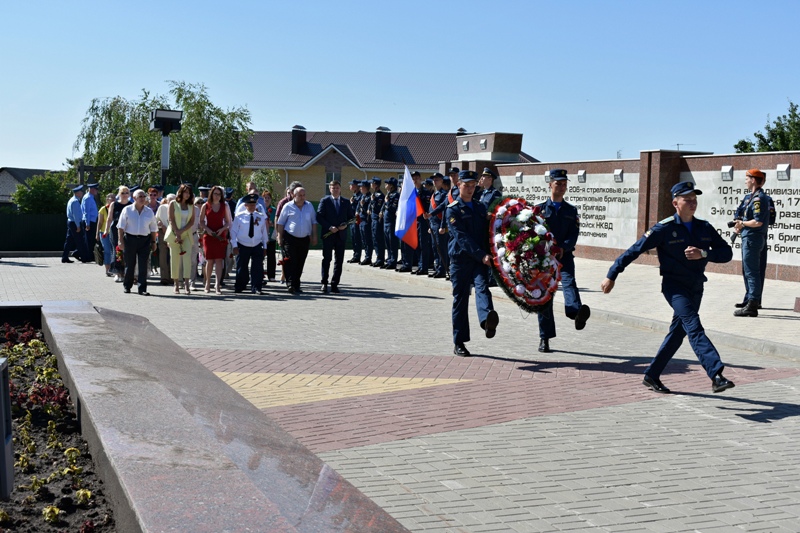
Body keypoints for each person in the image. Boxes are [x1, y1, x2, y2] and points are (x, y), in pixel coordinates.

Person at [600, 181, 735, 394]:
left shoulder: (704, 227)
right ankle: (716, 374)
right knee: (693, 325)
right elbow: (634, 250)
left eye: (695, 199)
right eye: (687, 199)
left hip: (696, 286)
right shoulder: (664, 228)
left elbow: (727, 253)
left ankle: (652, 375)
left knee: (677, 333)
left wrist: (705, 253)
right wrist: (612, 274)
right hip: (674, 287)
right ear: (675, 203)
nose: (693, 203)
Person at [535, 169, 591, 353]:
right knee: (545, 297)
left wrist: (563, 248)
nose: (562, 187)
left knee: (569, 283)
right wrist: (548, 248)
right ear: (550, 184)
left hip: (564, 256)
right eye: (558, 183)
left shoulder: (571, 210)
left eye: (564, 183)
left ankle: (575, 312)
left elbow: (573, 235)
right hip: (544, 259)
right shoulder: (539, 210)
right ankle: (545, 338)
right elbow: (533, 235)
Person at [447, 170, 499, 356]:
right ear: (459, 185)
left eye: (472, 185)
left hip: (479, 259)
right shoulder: (452, 209)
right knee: (460, 300)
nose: (469, 189)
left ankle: (487, 321)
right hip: (461, 260)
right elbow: (462, 238)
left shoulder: (480, 207)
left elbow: (487, 230)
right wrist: (481, 255)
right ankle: (459, 342)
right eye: (466, 185)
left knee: (483, 287)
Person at [733, 168, 771, 317]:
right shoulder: (752, 197)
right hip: (750, 237)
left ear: (753, 180)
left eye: (747, 178)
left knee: (752, 272)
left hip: (753, 238)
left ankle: (752, 304)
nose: (745, 181)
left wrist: (742, 223)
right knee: (749, 271)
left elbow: (757, 222)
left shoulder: (758, 199)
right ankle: (751, 300)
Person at [276, 187, 318, 294]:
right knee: (290, 262)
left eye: (304, 195)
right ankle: (290, 284)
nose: (302, 197)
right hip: (290, 238)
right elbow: (280, 223)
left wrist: (314, 236)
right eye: (300, 195)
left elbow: (314, 222)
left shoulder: (309, 206)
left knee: (300, 262)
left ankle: (296, 284)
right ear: (294, 196)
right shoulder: (288, 206)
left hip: (304, 239)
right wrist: (279, 237)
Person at [116, 189, 158, 295]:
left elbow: (153, 228)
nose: (142, 199)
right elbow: (121, 227)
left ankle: (142, 288)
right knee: (130, 264)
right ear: (134, 198)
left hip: (144, 240)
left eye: (144, 196)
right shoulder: (127, 210)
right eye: (140, 196)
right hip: (130, 239)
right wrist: (120, 240)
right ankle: (127, 286)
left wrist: (153, 242)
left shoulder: (149, 212)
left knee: (143, 265)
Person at [317, 180, 352, 293]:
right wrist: (329, 227)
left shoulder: (345, 202)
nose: (335, 190)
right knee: (327, 259)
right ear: (330, 189)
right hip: (328, 234)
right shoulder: (325, 201)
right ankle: (324, 282)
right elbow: (319, 217)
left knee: (339, 260)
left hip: (341, 235)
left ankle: (334, 284)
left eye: (337, 188)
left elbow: (351, 218)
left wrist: (345, 225)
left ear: (340, 189)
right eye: (333, 188)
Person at [229, 193, 269, 294]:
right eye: (249, 205)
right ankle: (240, 286)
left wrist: (265, 246)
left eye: (253, 205)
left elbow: (264, 232)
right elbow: (233, 232)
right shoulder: (239, 217)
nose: (252, 207)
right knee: (242, 266)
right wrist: (234, 245)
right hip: (242, 244)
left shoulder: (260, 217)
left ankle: (256, 287)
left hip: (256, 244)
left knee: (257, 267)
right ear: (245, 205)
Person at [199, 186, 232, 294]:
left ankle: (217, 285)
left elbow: (228, 221)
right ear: (211, 194)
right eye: (215, 194)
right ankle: (207, 283)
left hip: (220, 236)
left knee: (219, 260)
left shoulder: (224, 206)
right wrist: (207, 230)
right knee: (209, 260)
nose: (217, 196)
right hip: (209, 236)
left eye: (219, 194)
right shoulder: (206, 205)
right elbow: (201, 222)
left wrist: (222, 229)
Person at [164, 184, 196, 294]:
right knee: (175, 259)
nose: (187, 195)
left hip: (186, 234)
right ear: (180, 192)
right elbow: (170, 219)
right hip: (174, 233)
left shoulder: (191, 205)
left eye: (189, 193)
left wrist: (181, 231)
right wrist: (177, 232)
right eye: (185, 192)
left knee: (187, 258)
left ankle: (187, 284)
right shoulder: (173, 203)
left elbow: (192, 221)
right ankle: (176, 284)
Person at [104, 185, 131, 281]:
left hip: (128, 229)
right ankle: (117, 272)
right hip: (115, 229)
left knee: (126, 250)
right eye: (122, 193)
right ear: (119, 194)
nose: (124, 195)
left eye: (126, 193)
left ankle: (124, 272)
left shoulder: (131, 205)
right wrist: (106, 230)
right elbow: (109, 218)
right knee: (117, 249)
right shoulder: (114, 204)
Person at [426, 173, 449, 279]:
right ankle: (437, 267)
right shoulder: (434, 194)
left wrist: (443, 225)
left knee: (441, 248)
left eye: (437, 180)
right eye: (434, 180)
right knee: (435, 248)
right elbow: (431, 210)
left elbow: (444, 211)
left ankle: (442, 269)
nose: (435, 182)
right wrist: (430, 225)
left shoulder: (444, 194)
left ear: (442, 181)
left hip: (440, 225)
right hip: (433, 225)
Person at [62, 185, 92, 263]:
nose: (82, 193)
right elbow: (76, 215)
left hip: (71, 222)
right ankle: (84, 258)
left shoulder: (71, 200)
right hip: (75, 223)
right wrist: (78, 226)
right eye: (81, 192)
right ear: (77, 193)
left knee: (69, 241)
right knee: (80, 241)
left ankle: (64, 257)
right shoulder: (75, 202)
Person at [156, 193, 176, 285]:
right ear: (166, 200)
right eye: (169, 200)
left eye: (173, 199)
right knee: (163, 255)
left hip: (174, 233)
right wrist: (163, 226)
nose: (171, 201)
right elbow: (157, 220)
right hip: (162, 232)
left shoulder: (178, 208)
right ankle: (164, 277)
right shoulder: (162, 207)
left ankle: (173, 276)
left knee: (173, 254)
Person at [381, 177, 400, 269]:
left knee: (392, 243)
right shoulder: (388, 194)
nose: (385, 185)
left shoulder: (396, 195)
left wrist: (387, 202)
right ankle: (389, 259)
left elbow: (393, 208)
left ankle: (393, 261)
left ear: (391, 185)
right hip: (386, 221)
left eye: (387, 184)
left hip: (392, 222)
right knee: (387, 242)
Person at [97, 193, 116, 277]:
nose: (111, 199)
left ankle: (114, 268)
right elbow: (100, 222)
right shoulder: (103, 209)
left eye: (113, 198)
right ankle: (107, 269)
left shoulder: (117, 208)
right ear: (107, 199)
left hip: (114, 232)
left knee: (114, 250)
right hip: (104, 232)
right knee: (107, 250)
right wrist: (97, 233)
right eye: (109, 198)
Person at [368, 177, 386, 268]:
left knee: (378, 240)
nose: (371, 185)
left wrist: (372, 200)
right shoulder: (374, 194)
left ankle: (380, 259)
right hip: (373, 219)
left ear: (376, 184)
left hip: (377, 220)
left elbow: (377, 208)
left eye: (372, 183)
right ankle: (378, 258)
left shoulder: (379, 196)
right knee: (375, 240)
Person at [357, 181, 373, 265]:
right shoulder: (362, 196)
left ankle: (368, 257)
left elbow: (368, 210)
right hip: (361, 220)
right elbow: (358, 207)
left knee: (367, 240)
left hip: (367, 221)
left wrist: (363, 205)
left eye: (361, 187)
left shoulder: (370, 197)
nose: (360, 188)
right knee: (363, 239)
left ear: (366, 187)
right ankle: (366, 256)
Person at [263, 191, 278, 282]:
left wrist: (272, 224)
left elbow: (277, 221)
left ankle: (271, 275)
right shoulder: (260, 209)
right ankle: (260, 274)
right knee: (260, 256)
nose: (267, 200)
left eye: (268, 198)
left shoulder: (274, 210)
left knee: (271, 257)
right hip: (262, 236)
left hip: (271, 236)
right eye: (265, 198)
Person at [82, 183, 100, 258]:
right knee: (89, 240)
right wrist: (87, 223)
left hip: (91, 221)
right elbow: (87, 212)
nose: (97, 191)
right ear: (92, 189)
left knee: (90, 239)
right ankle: (88, 256)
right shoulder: (88, 198)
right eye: (96, 189)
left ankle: (88, 255)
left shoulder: (90, 197)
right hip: (90, 221)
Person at [347, 179, 363, 263]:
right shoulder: (354, 195)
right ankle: (355, 255)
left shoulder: (360, 196)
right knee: (353, 238)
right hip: (352, 219)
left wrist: (352, 203)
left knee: (357, 238)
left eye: (352, 185)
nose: (350, 186)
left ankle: (357, 256)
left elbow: (358, 208)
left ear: (356, 186)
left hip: (357, 219)